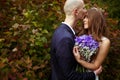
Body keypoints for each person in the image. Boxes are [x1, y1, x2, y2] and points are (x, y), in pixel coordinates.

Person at [50, 0, 102, 80]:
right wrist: (93, 74)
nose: (85, 11)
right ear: (76, 12)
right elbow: (69, 76)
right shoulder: (65, 39)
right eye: (83, 8)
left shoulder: (62, 31)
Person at [73, 7, 110, 80]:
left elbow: (96, 65)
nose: (84, 20)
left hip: (90, 75)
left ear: (95, 20)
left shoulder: (105, 42)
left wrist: (80, 61)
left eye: (87, 18)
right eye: (84, 17)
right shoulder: (80, 36)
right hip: (76, 74)